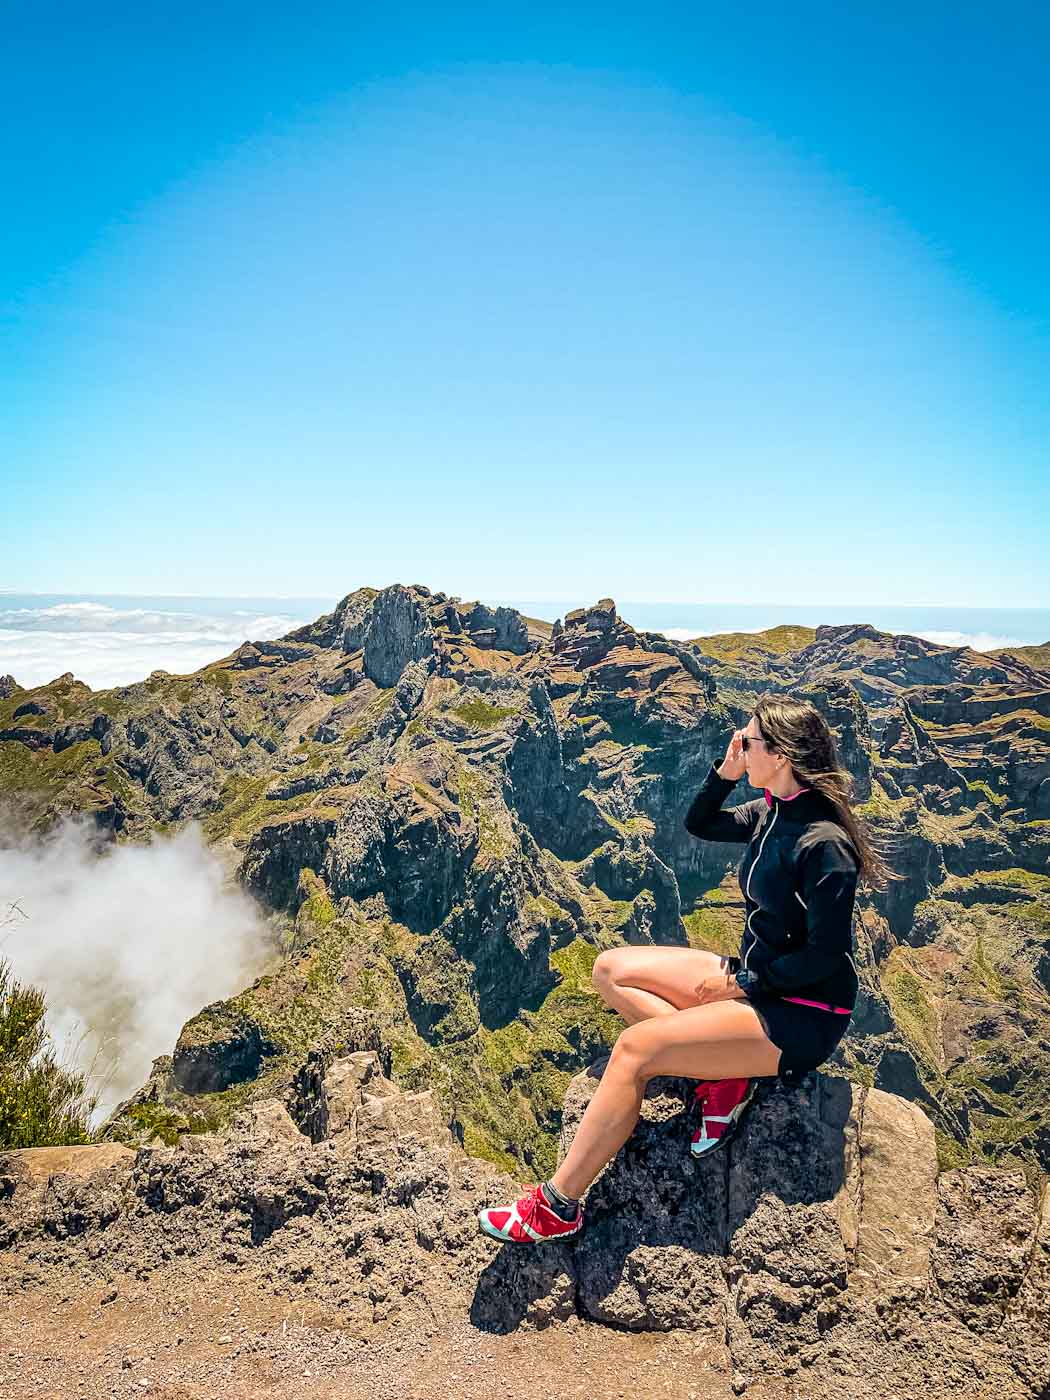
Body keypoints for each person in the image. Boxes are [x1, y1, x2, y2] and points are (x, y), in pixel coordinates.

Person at [478, 694, 899, 1245]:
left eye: (746, 742)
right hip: (752, 979)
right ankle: (722, 1071)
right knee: (610, 970)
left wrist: (743, 983)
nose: (739, 748)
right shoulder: (771, 812)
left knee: (637, 1051)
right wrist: (724, 773)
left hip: (798, 1011)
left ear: (780, 754)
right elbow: (700, 822)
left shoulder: (825, 845)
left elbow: (826, 955)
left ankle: (557, 1206)